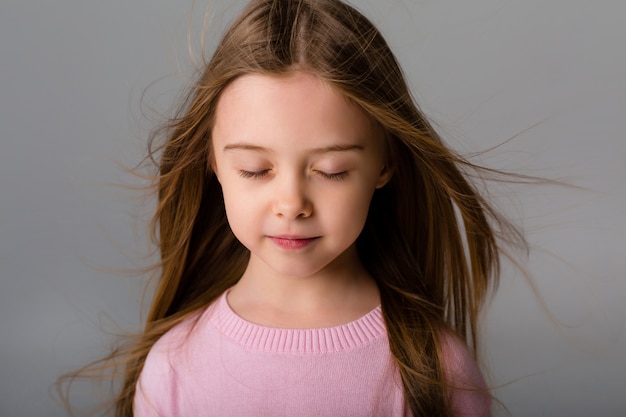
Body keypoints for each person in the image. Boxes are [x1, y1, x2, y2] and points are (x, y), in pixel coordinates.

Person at [63, 0, 526, 416]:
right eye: (254, 169)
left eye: (331, 170)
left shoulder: (435, 370)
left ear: (386, 164)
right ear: (213, 161)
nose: (291, 204)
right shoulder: (174, 367)